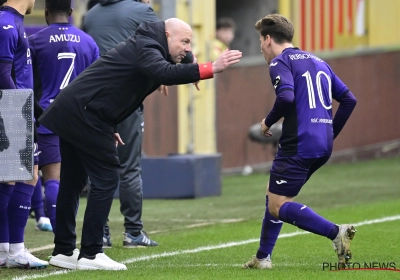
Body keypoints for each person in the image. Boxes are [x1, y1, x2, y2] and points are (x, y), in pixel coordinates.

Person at [40, 18, 242, 270]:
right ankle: (91, 253)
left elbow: (116, 87)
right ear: (167, 35)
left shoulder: (150, 45)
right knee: (106, 179)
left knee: (73, 181)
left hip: (78, 112)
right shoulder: (147, 47)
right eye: (185, 41)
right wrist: (210, 67)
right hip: (84, 114)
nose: (188, 48)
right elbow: (163, 72)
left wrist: (110, 126)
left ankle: (64, 250)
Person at [243, 14, 357, 270]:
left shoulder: (280, 62)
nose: (261, 48)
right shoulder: (319, 62)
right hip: (322, 145)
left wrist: (267, 122)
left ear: (268, 39)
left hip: (298, 143)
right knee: (274, 195)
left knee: (278, 204)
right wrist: (329, 132)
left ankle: (336, 232)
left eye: (260, 41)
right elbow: (349, 100)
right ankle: (262, 258)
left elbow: (285, 97)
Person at [82, 0, 159, 249]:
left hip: (93, 101)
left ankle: (101, 234)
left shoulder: (91, 14)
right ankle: (133, 232)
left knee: (98, 168)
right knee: (129, 167)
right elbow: (164, 45)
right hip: (125, 101)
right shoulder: (142, 11)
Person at [28, 0, 99, 232]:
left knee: (52, 179)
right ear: (71, 12)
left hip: (47, 118)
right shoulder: (89, 42)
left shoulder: (35, 41)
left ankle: (63, 239)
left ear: (46, 12)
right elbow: (98, 85)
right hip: (79, 120)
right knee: (74, 181)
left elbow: (25, 81)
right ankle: (73, 236)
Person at [0, 0, 49, 268]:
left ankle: (5, 249)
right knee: (29, 173)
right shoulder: (7, 24)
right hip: (13, 109)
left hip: (15, 107)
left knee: (8, 180)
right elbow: (3, 73)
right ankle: (16, 251)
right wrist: (20, 109)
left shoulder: (12, 22)